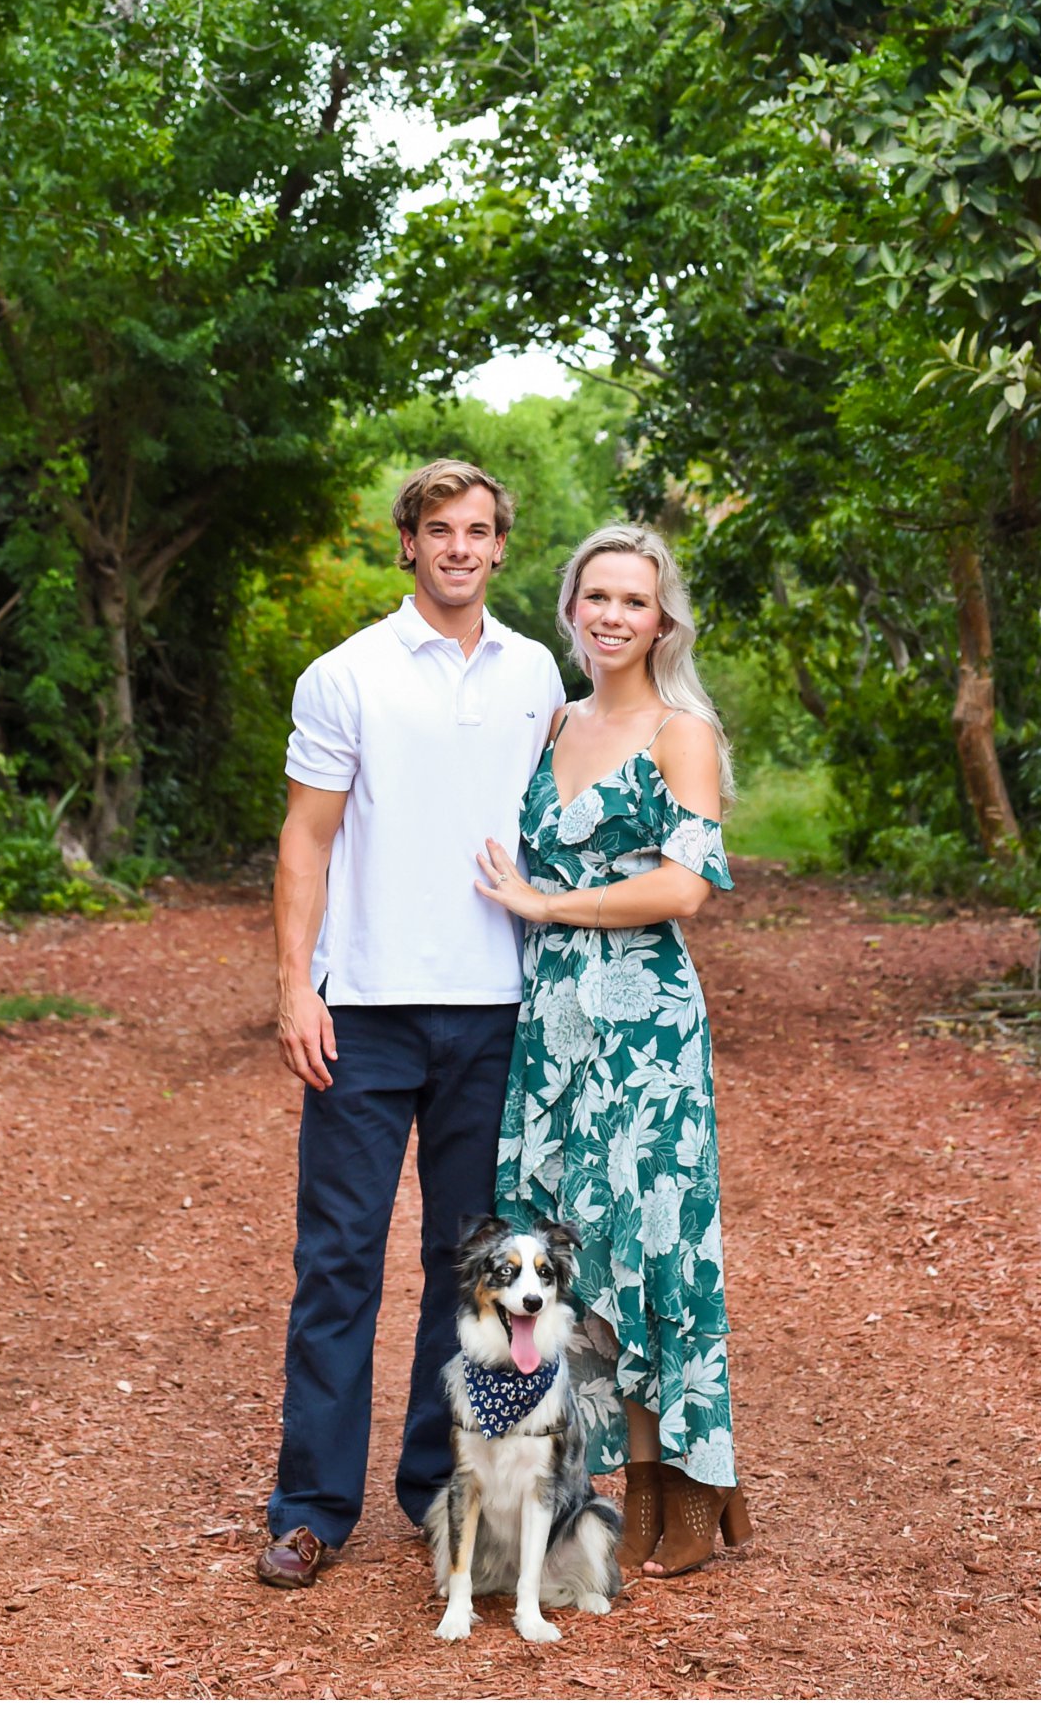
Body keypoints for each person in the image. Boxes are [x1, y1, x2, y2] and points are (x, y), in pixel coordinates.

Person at [256, 458, 567, 1590]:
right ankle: (309, 1508)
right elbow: (306, 838)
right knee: (336, 1262)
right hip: (367, 1014)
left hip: (497, 1011)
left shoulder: (539, 672)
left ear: (498, 546)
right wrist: (298, 986)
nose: (460, 547)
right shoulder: (346, 675)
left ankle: (445, 1493)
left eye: (480, 530)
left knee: (470, 1268)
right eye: (440, 529)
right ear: (409, 543)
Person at [474, 522, 752, 1578]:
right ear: (572, 606)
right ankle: (624, 1482)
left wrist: (550, 903)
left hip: (645, 1022)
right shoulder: (554, 722)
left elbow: (684, 887)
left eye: (633, 601)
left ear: (662, 617)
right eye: (597, 596)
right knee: (576, 1248)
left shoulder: (680, 730)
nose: (612, 616)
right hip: (552, 1021)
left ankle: (691, 1478)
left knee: (655, 1243)